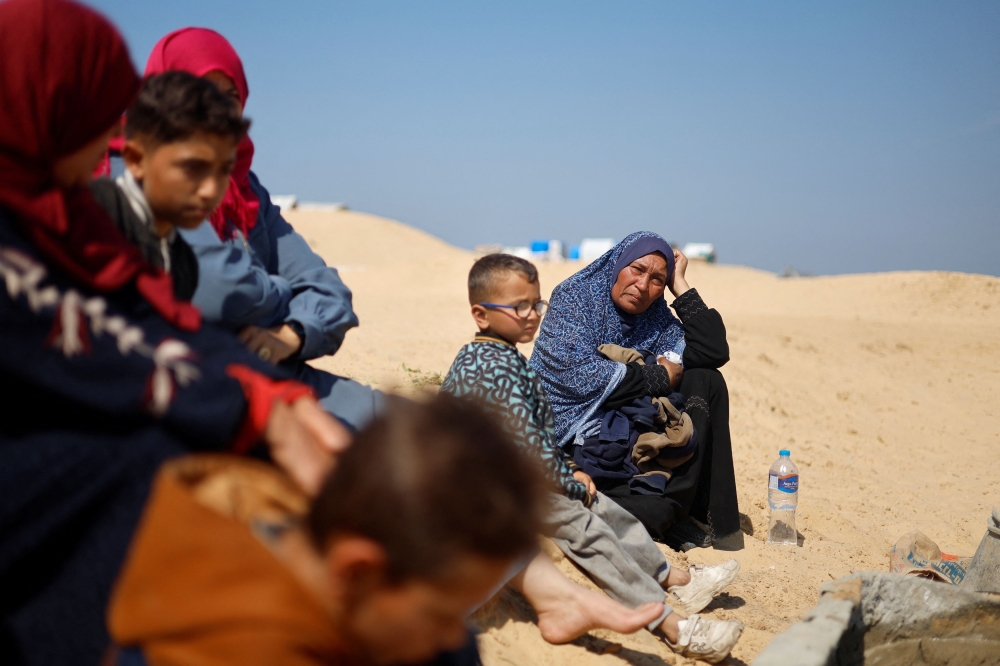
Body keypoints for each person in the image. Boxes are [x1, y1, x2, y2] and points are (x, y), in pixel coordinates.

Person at [0, 2, 347, 663]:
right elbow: (97, 340)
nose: (109, 131)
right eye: (93, 110)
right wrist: (250, 395)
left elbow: (153, 319)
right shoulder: (77, 213)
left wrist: (267, 392)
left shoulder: (62, 216)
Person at [440, 254, 744, 663]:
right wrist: (564, 477)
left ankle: (670, 576)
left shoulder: (491, 358)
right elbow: (523, 444)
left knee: (601, 507)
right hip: (480, 492)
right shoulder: (496, 367)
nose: (532, 316)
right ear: (480, 314)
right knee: (584, 525)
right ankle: (671, 624)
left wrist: (568, 470)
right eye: (519, 307)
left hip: (508, 479)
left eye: (536, 304)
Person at [108, 395, 542, 665]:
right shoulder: (213, 647)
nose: (454, 635)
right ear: (355, 571)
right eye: (442, 616)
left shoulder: (387, 615)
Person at [139, 27, 381, 431]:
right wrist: (281, 291)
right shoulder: (135, 175)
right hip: (185, 385)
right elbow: (215, 287)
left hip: (268, 370)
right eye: (197, 92)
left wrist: (290, 334)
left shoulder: (246, 192)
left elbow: (330, 292)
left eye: (228, 98)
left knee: (408, 431)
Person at [529, 232, 743, 550]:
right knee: (647, 512)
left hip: (628, 439)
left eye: (657, 279)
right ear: (617, 265)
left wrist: (680, 285)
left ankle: (694, 515)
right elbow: (583, 377)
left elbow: (712, 350)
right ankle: (666, 515)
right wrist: (658, 377)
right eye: (637, 270)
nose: (643, 286)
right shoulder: (575, 298)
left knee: (706, 379)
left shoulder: (655, 318)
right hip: (572, 441)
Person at [91, 70, 249, 302]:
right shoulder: (93, 221)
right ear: (135, 160)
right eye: (192, 168)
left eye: (224, 171)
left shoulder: (183, 263)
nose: (211, 191)